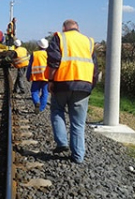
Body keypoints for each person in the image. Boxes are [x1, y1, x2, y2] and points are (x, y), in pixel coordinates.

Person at [46, 19, 98, 164]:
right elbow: (95, 68)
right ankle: (78, 156)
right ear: (78, 28)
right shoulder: (89, 41)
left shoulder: (59, 37)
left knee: (57, 111)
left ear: (64, 28)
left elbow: (54, 61)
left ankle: (62, 142)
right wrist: (90, 86)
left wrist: (50, 81)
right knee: (78, 123)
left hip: (62, 83)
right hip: (83, 85)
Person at [26, 38, 49, 114]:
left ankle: (36, 102)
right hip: (46, 77)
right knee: (45, 93)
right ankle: (41, 108)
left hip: (36, 76)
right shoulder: (48, 54)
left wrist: (28, 76)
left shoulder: (34, 54)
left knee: (34, 92)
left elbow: (30, 66)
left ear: (39, 46)